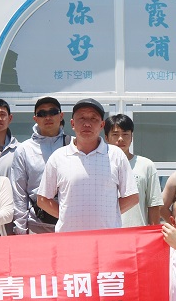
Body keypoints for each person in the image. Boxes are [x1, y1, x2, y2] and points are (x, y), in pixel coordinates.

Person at [36, 98, 138, 233]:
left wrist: (110, 214)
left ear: (102, 125)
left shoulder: (116, 155)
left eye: (93, 119)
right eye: (82, 118)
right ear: (72, 123)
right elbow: (43, 199)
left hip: (107, 237)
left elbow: (132, 197)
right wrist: (67, 216)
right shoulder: (58, 157)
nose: (87, 124)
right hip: (69, 238)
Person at [10, 96, 69, 235]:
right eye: (42, 114)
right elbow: (19, 193)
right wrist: (20, 231)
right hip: (37, 225)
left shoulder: (74, 145)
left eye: (53, 112)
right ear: (35, 119)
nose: (48, 117)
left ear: (61, 116)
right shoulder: (24, 150)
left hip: (71, 223)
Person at [105, 114, 164, 227]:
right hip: (108, 232)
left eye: (125, 134)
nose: (121, 139)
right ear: (106, 137)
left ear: (132, 137)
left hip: (137, 232)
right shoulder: (100, 166)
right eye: (115, 134)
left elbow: (154, 205)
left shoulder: (146, 165)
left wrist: (153, 232)